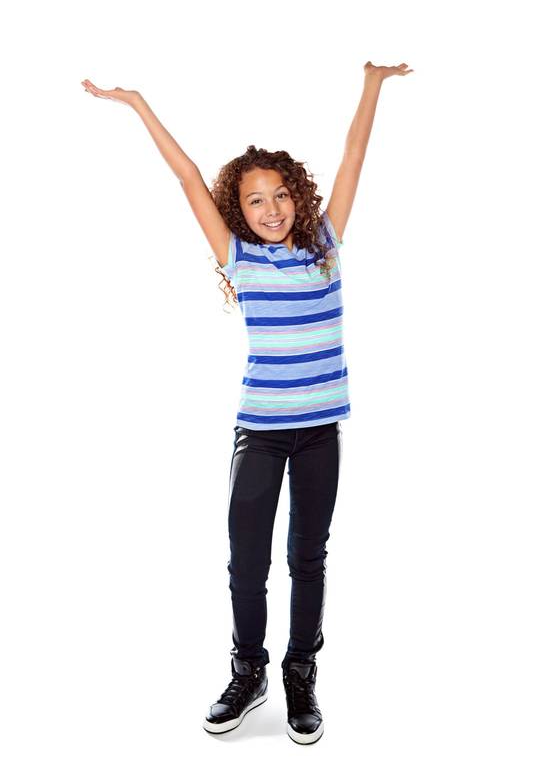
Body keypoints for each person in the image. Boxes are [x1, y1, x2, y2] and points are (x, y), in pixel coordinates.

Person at [81, 60, 414, 745]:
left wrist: (372, 83)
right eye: (256, 200)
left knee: (308, 558)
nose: (272, 209)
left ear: (299, 197)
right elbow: (186, 176)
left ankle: (300, 673)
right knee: (247, 561)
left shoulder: (325, 246)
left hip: (320, 432)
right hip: (259, 432)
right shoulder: (238, 257)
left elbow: (354, 155)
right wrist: (137, 102)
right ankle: (248, 670)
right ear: (240, 209)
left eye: (281, 195)